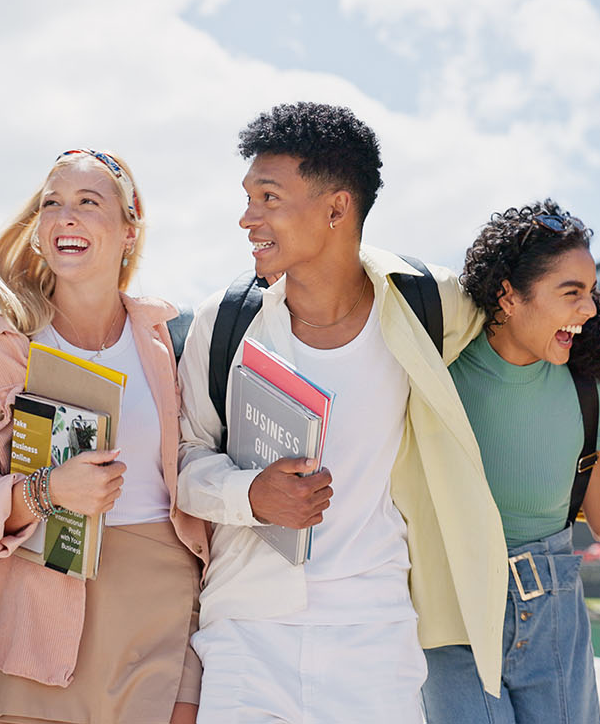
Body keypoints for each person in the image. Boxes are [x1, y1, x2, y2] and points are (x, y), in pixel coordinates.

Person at [176, 102, 505, 722]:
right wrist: (251, 495)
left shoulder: (424, 305)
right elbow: (182, 460)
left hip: (374, 635)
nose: (247, 218)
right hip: (248, 633)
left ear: (336, 208)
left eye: (269, 197)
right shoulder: (225, 321)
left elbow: (529, 324)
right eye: (248, 197)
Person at [0, 149, 208, 724]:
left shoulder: (164, 340)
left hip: (163, 601)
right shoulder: (6, 346)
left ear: (129, 231)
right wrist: (47, 492)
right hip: (43, 606)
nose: (67, 217)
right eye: (53, 204)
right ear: (37, 233)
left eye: (89, 203)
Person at [422, 202, 600, 723]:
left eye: (591, 293)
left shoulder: (590, 395)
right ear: (508, 293)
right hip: (452, 611)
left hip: (554, 610)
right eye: (571, 292)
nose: (589, 310)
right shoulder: (438, 376)